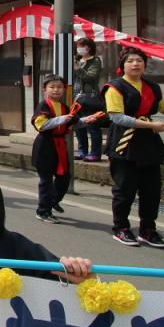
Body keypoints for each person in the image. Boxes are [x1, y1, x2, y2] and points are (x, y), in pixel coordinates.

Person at [102, 47, 164, 248]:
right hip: (125, 142)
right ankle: (121, 228)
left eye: (139, 60)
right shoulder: (114, 87)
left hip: (148, 143)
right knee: (125, 190)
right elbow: (117, 117)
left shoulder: (151, 87)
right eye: (131, 60)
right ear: (122, 65)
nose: (136, 64)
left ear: (145, 65)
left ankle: (148, 230)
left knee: (151, 191)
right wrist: (152, 125)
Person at [32, 74, 101, 224]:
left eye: (59, 87)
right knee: (46, 181)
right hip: (45, 146)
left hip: (60, 146)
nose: (56, 90)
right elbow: (41, 125)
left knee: (64, 178)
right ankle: (43, 211)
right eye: (52, 87)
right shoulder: (43, 105)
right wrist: (64, 118)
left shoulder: (64, 107)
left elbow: (72, 123)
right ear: (45, 89)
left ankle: (52, 201)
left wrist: (87, 120)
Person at [74, 38, 104, 162]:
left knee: (92, 125)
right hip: (76, 96)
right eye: (78, 46)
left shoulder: (95, 60)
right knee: (78, 125)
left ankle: (95, 153)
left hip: (89, 96)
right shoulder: (77, 60)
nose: (79, 49)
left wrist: (77, 68)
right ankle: (82, 151)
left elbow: (91, 77)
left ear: (89, 48)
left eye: (82, 46)